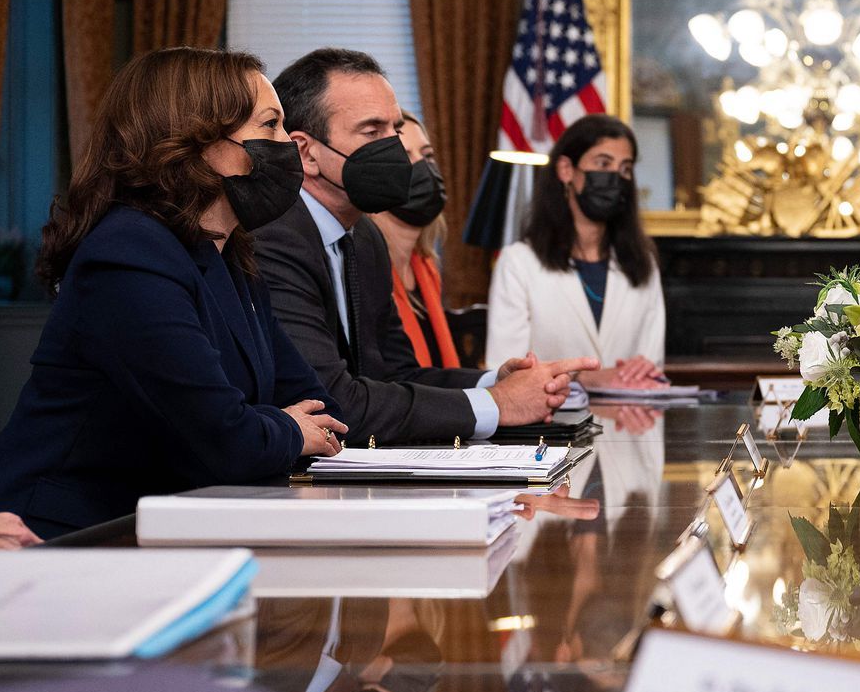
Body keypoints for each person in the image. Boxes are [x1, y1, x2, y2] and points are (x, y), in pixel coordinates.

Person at [0, 47, 347, 538]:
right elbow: (225, 439)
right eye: (270, 126)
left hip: (169, 524)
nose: (289, 146)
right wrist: (286, 429)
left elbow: (321, 410)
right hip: (54, 537)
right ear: (197, 141)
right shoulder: (129, 254)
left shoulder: (230, 258)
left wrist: (271, 426)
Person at [261, 48, 593, 444]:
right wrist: (498, 403)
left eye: (395, 129)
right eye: (372, 132)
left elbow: (397, 373)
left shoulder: (365, 237)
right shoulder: (274, 238)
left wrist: (498, 381)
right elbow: (331, 402)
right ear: (306, 152)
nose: (396, 149)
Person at [484, 114, 667, 392]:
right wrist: (585, 378)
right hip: (552, 428)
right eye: (603, 163)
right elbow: (504, 373)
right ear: (566, 170)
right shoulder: (519, 263)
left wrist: (644, 372)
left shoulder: (643, 264)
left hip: (631, 427)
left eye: (625, 168)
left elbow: (652, 366)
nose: (616, 177)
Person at [367, 111, 458, 369]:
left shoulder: (426, 267)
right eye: (405, 156)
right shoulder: (366, 271)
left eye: (427, 156)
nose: (422, 167)